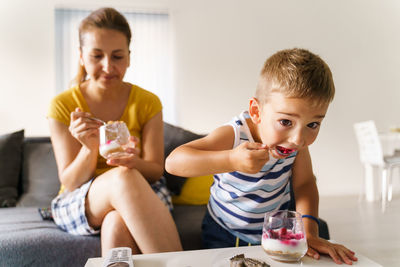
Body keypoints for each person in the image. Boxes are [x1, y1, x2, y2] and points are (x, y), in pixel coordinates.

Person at [166, 48, 358, 265]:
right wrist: (231, 160)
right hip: (224, 231)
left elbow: (304, 184)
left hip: (277, 230)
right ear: (256, 112)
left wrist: (309, 231)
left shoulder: (296, 144)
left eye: (312, 124)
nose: (298, 139)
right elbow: (174, 162)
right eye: (286, 122)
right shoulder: (235, 134)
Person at [47, 7, 182, 256]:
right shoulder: (63, 105)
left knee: (116, 221)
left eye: (117, 56)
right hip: (84, 196)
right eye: (97, 56)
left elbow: (154, 170)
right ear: (81, 56)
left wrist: (134, 162)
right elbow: (70, 181)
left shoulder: (148, 102)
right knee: (123, 177)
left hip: (140, 191)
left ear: (129, 58)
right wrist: (89, 148)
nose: (108, 66)